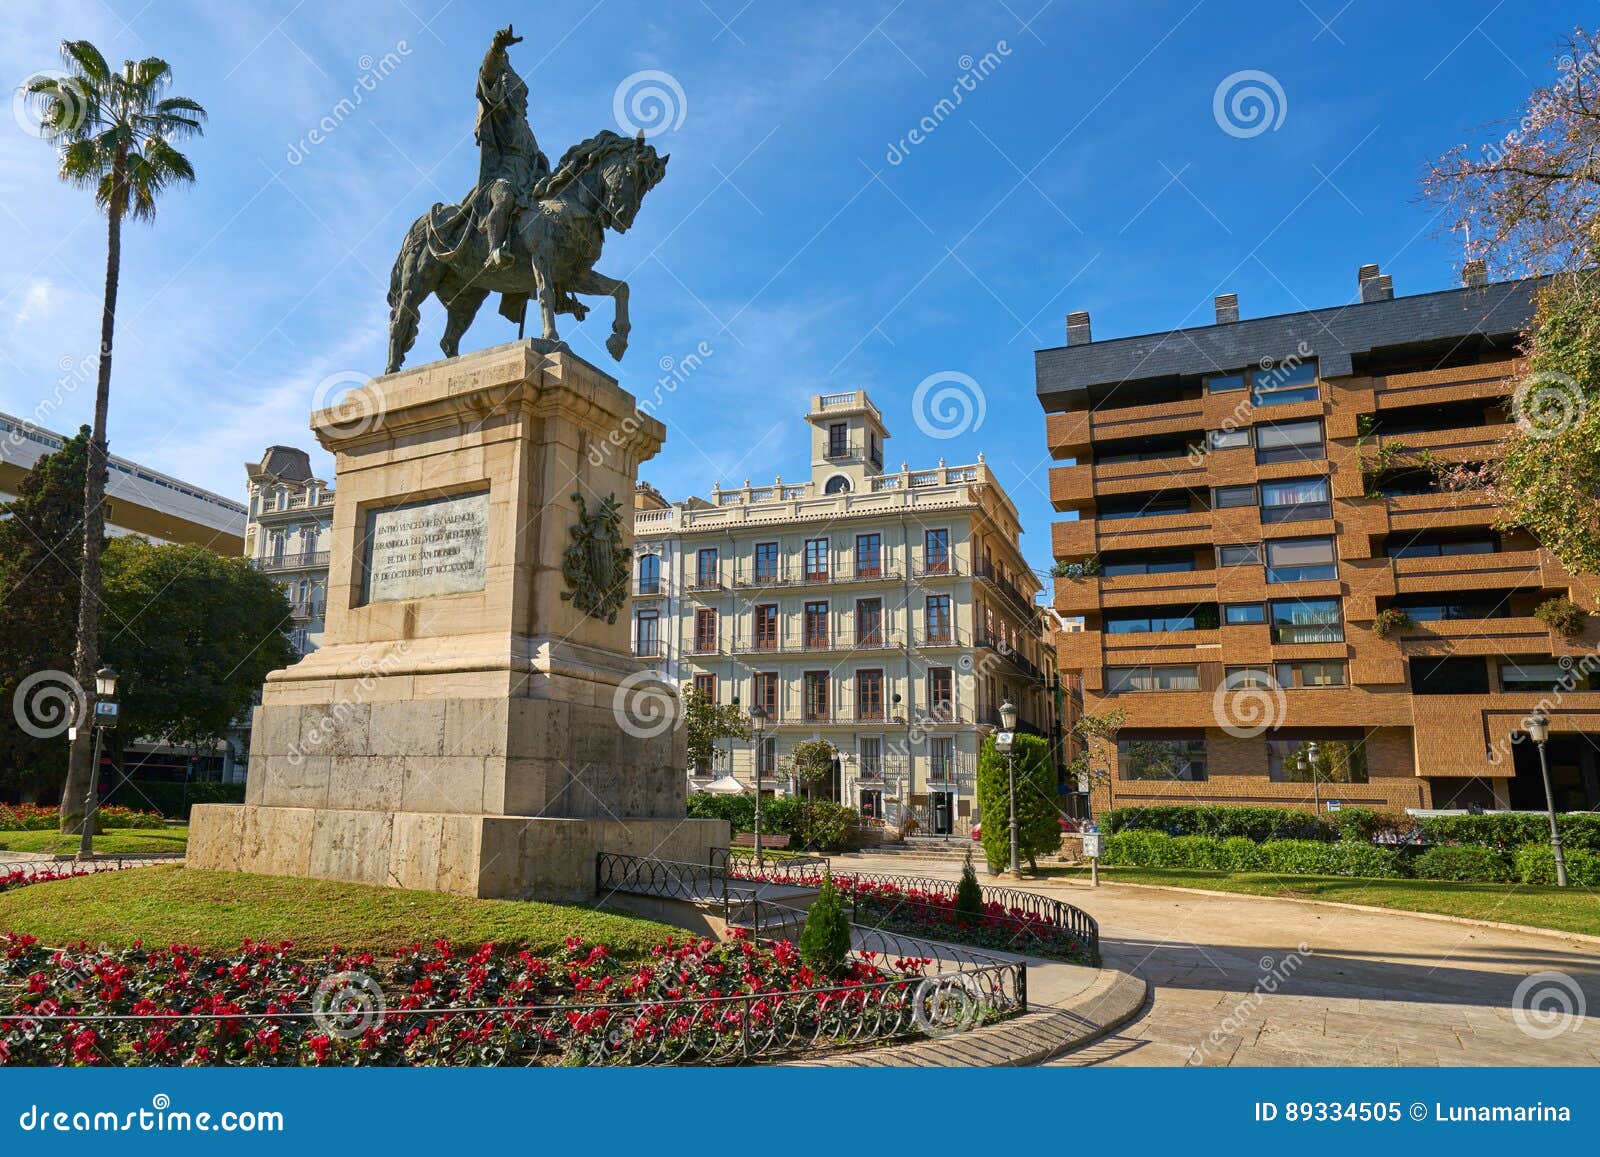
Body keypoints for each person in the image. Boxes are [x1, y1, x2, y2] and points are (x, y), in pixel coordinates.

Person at [474, 25, 551, 271]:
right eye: (521, 93)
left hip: (530, 182)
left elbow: (536, 158)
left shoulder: (526, 129)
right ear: (506, 93)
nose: (525, 99)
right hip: (503, 177)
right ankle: (494, 250)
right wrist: (497, 48)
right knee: (504, 199)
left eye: (526, 94)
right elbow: (487, 76)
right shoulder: (502, 112)